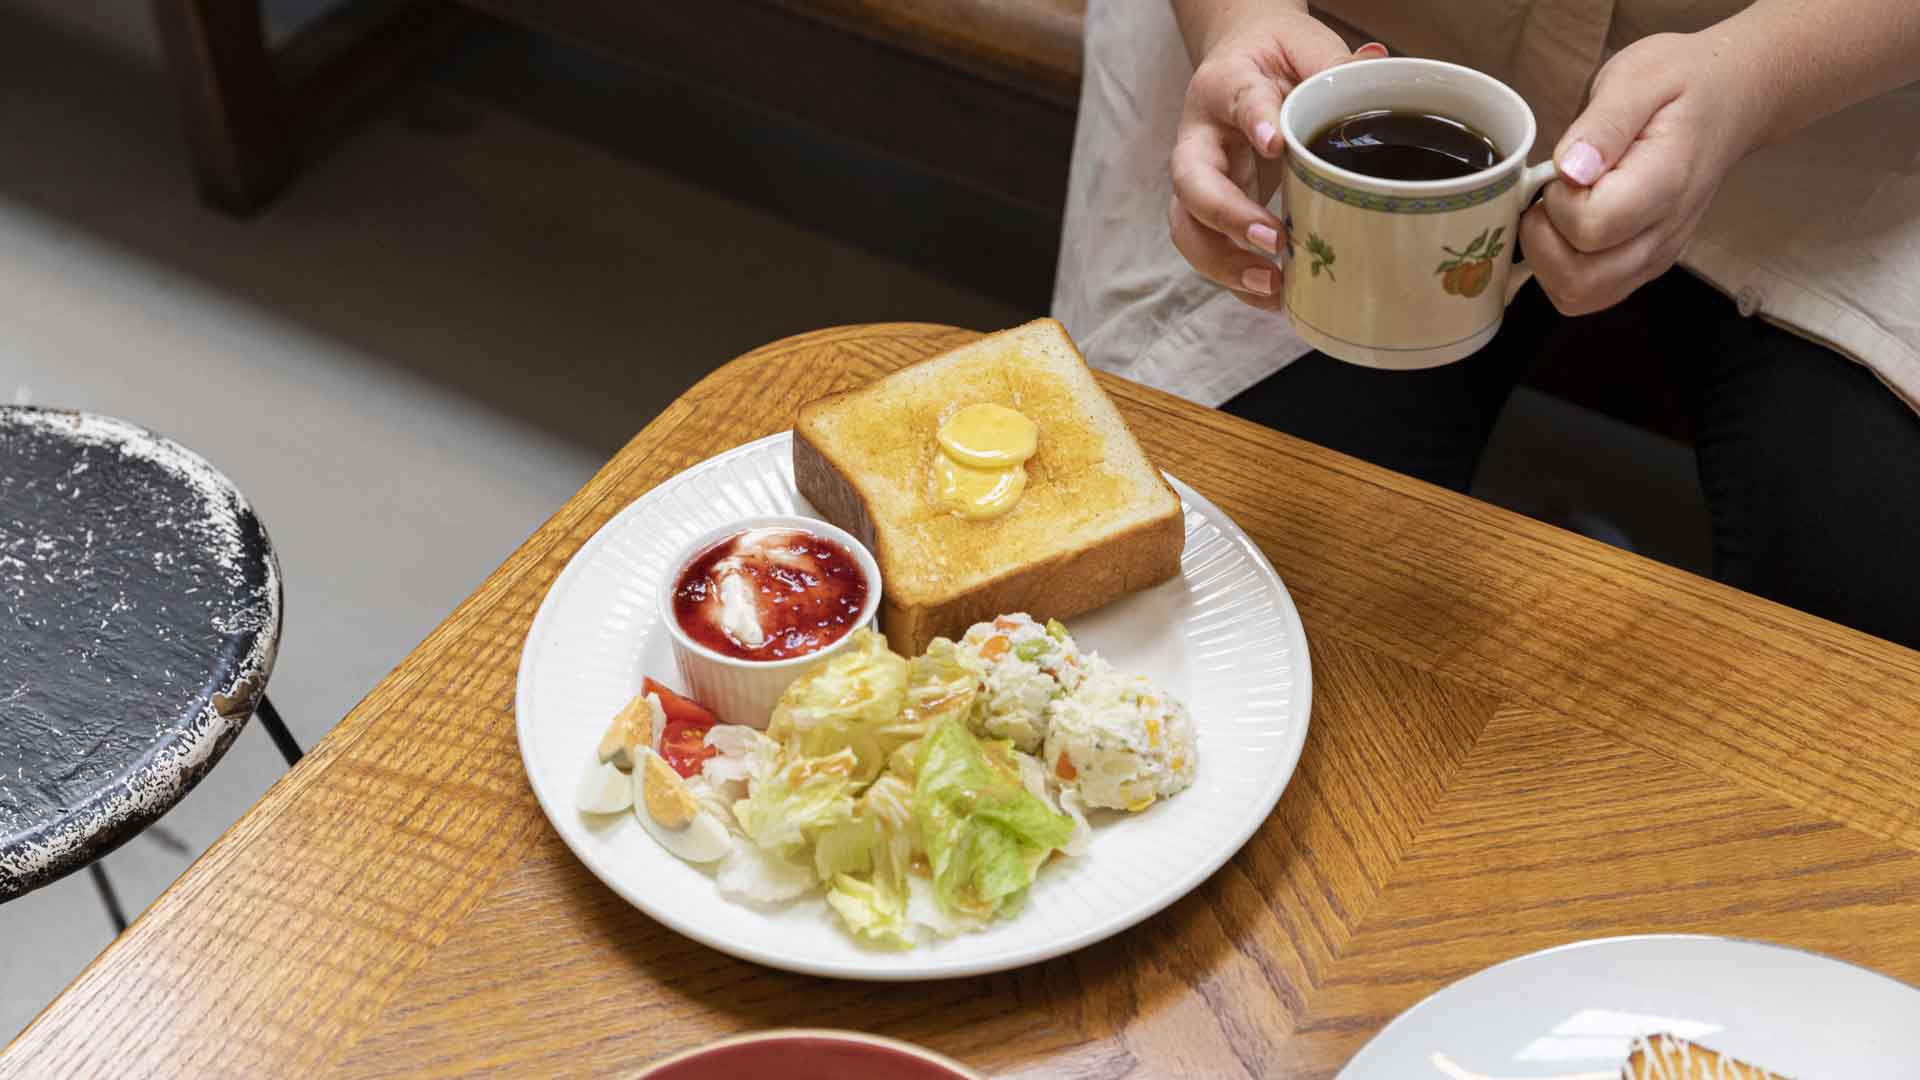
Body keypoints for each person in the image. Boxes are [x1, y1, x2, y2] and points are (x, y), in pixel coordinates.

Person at [1054, 0, 1920, 648]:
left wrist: (1758, 76)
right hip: (1323, 46)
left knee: (1876, 605)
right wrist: (1236, 20)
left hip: (1836, 105)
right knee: (1201, 581)